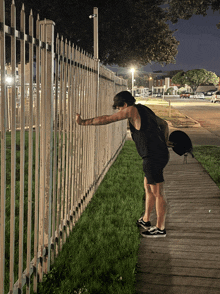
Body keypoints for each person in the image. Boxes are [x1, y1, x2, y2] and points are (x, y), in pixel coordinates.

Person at [76, 91, 170, 237]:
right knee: (148, 188)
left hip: (153, 157)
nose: (120, 112)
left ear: (125, 105)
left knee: (158, 193)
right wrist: (164, 141)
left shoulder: (131, 110)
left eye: (119, 108)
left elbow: (107, 119)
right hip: (157, 154)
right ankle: (146, 219)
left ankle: (160, 228)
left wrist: (83, 122)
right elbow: (164, 124)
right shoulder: (144, 109)